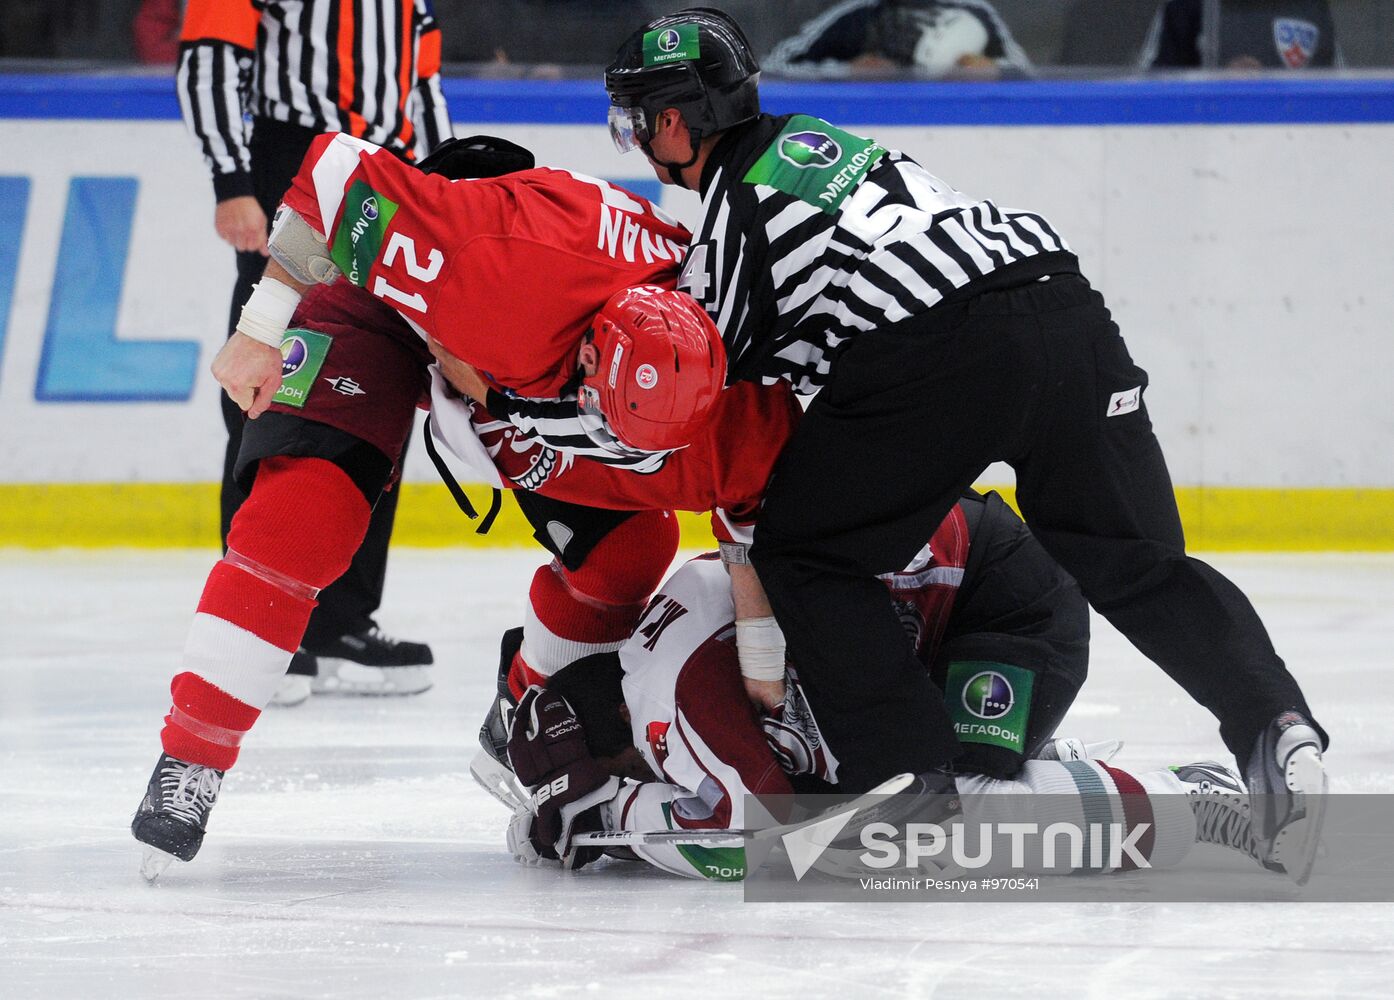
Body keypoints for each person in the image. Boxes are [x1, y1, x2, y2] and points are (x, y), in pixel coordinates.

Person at [576, 7, 1326, 874]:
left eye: (634, 122)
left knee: (808, 550)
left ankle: (908, 781)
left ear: (674, 121)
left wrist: (559, 422)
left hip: (944, 344)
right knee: (1136, 561)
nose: (635, 142)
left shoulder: (735, 212)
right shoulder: (831, 145)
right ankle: (1274, 726)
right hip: (1063, 301)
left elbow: (700, 393)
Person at [130, 134, 797, 879]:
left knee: (631, 548)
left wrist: (763, 666)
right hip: (388, 301)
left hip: (533, 349)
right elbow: (334, 172)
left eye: (640, 446)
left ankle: (523, 708)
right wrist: (259, 333)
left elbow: (753, 520)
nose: (615, 453)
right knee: (300, 519)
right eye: (602, 427)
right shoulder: (488, 259)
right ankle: (191, 759)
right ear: (579, 359)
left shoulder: (736, 398)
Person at [500, 501, 1296, 883]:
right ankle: (1042, 758)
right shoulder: (657, 671)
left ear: (612, 739)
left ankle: (1190, 803)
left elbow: (752, 841)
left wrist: (611, 822)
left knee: (923, 822)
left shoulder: (670, 699)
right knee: (858, 797)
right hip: (933, 619)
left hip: (1004, 603)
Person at [176, 0, 452, 700]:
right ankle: (260, 619)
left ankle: (342, 620)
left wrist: (445, 189)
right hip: (293, 157)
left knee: (381, 379)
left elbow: (423, 88)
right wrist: (231, 180)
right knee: (273, 376)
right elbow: (209, 56)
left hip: (387, 174)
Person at [764, 0, 1031, 79]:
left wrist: (993, 71)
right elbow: (774, 67)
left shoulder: (974, 12)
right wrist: (847, 71)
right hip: (873, 136)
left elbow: (1029, 75)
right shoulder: (857, 14)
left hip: (967, 131)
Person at [1140, 0, 1342, 70]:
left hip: (1296, 151)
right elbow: (1150, 90)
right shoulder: (1184, 6)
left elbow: (1341, 84)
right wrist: (1217, 87)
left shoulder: (1311, 5)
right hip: (1208, 153)